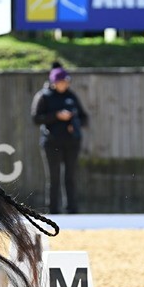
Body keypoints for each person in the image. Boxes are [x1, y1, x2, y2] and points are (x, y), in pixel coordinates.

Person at [31, 61, 89, 214]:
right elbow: (36, 118)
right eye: (61, 82)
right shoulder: (44, 96)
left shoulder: (71, 96)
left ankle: (72, 210)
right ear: (54, 82)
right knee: (53, 177)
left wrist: (75, 124)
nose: (64, 84)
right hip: (51, 142)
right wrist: (56, 116)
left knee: (70, 176)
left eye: (66, 81)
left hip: (72, 142)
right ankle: (53, 210)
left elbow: (84, 117)